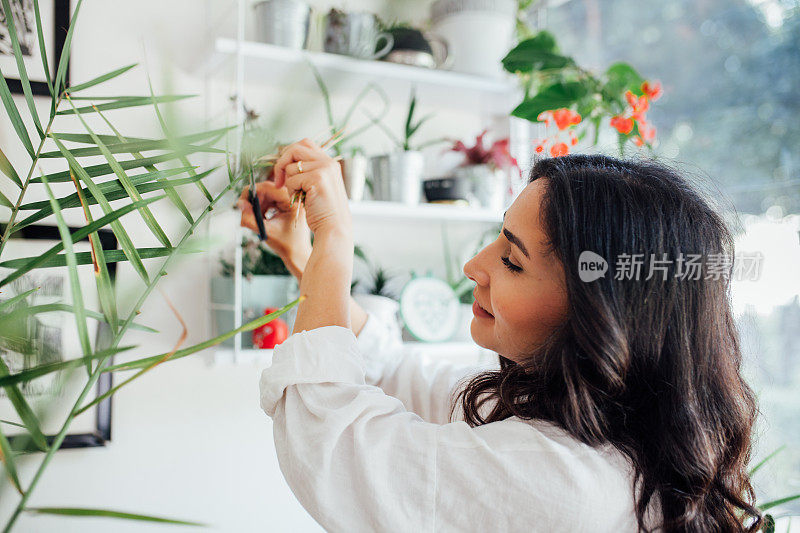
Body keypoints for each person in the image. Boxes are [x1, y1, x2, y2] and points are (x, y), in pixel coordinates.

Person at [237, 138, 763, 532]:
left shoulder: (566, 481)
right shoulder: (598, 424)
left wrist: (335, 236)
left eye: (511, 259)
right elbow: (398, 371)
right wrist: (308, 257)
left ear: (597, 317)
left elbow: (331, 434)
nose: (473, 265)